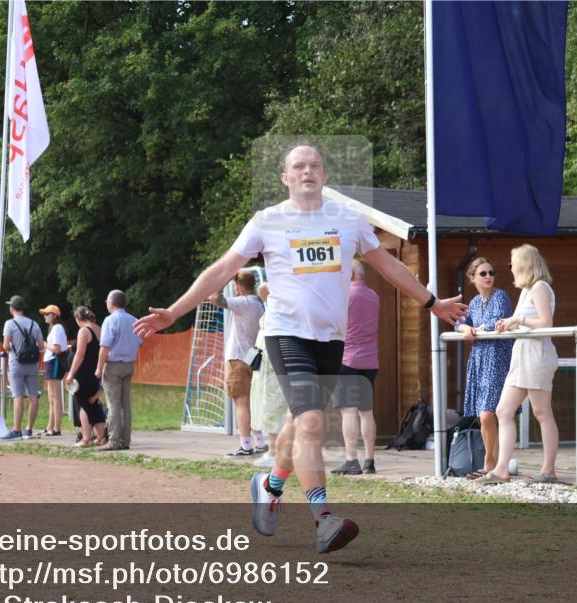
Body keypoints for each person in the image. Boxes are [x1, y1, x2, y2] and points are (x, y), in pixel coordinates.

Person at [135, 144, 467, 553]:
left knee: (300, 423)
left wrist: (432, 303)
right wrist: (174, 311)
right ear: (285, 178)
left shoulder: (349, 220)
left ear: (325, 176)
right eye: (298, 166)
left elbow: (391, 266)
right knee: (310, 422)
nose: (307, 170)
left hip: (331, 339)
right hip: (285, 333)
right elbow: (222, 269)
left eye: (314, 165)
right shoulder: (267, 221)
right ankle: (324, 519)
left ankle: (271, 485)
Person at [477, 244, 558, 485]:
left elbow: (546, 323)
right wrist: (511, 324)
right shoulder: (526, 290)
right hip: (521, 354)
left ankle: (548, 469)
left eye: (512, 264)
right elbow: (526, 322)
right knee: (503, 410)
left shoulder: (540, 287)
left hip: (536, 354)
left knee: (542, 412)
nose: (510, 269)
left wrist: (518, 319)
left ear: (524, 264)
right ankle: (501, 469)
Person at [456, 257, 514, 479]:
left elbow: (497, 321)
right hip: (480, 359)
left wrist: (476, 329)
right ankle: (494, 461)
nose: (489, 276)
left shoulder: (501, 296)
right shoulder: (473, 302)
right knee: (483, 415)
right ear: (473, 278)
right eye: (483, 274)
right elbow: (459, 321)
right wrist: (464, 327)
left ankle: (491, 462)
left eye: (491, 272)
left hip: (497, 359)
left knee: (489, 413)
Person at [331, 260, 380, 475]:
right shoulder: (374, 296)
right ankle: (370, 460)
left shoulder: (344, 296)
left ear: (350, 274)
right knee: (366, 412)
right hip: (370, 360)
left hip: (347, 358)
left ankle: (352, 459)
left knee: (348, 411)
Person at [209, 271, 266, 457]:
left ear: (240, 286)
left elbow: (214, 298)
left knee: (241, 402)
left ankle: (246, 445)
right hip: (252, 357)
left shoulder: (243, 303)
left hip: (237, 358)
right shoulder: (258, 304)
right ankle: (260, 441)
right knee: (252, 402)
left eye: (235, 285)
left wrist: (222, 279)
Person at [97, 290, 142, 451]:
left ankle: (114, 440)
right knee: (125, 404)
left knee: (113, 404)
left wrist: (98, 368)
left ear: (112, 303)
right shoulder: (134, 320)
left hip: (113, 365)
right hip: (129, 364)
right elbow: (140, 341)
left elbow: (105, 347)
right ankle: (125, 440)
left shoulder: (110, 321)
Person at [249, 282, 288, 468]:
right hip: (266, 361)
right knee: (270, 405)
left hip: (274, 361)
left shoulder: (286, 307)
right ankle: (276, 451)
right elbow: (263, 288)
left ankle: (275, 452)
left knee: (274, 406)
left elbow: (263, 288)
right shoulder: (273, 300)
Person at [1, 295, 45, 440]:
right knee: (34, 396)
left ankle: (16, 430)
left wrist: (15, 346)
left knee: (17, 396)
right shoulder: (34, 324)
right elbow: (42, 346)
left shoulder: (10, 324)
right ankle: (29, 429)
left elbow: (6, 346)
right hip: (32, 364)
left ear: (12, 308)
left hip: (16, 364)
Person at [66, 306, 108, 447]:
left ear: (78, 319)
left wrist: (71, 373)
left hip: (83, 373)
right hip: (95, 371)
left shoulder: (84, 331)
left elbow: (80, 354)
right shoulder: (98, 329)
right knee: (94, 403)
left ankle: (86, 438)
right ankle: (101, 437)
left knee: (81, 403)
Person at [40, 305, 69, 436]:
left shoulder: (57, 328)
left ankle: (57, 427)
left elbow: (56, 348)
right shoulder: (54, 328)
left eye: (47, 314)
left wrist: (45, 344)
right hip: (51, 361)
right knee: (52, 396)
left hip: (55, 360)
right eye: (44, 314)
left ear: (54, 316)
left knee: (55, 396)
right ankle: (50, 426)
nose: (45, 316)